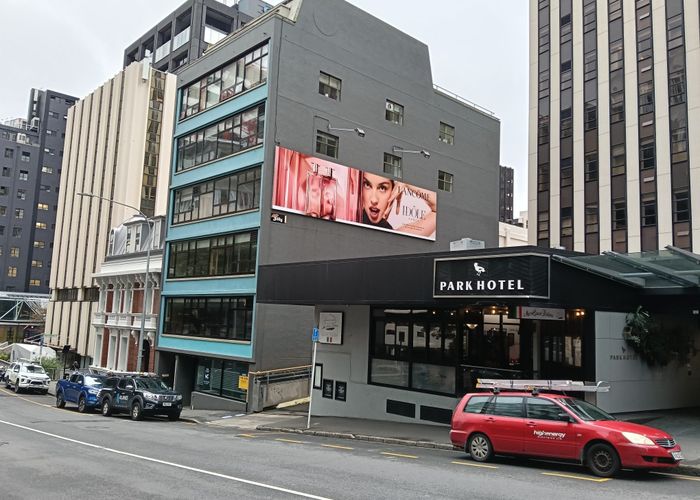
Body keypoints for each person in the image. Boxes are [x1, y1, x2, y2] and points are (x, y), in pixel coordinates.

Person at [360, 172, 437, 237]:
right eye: (367, 185)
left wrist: (406, 183)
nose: (374, 200)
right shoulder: (353, 218)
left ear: (393, 192)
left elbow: (439, 209)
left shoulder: (392, 237)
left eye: (382, 188)